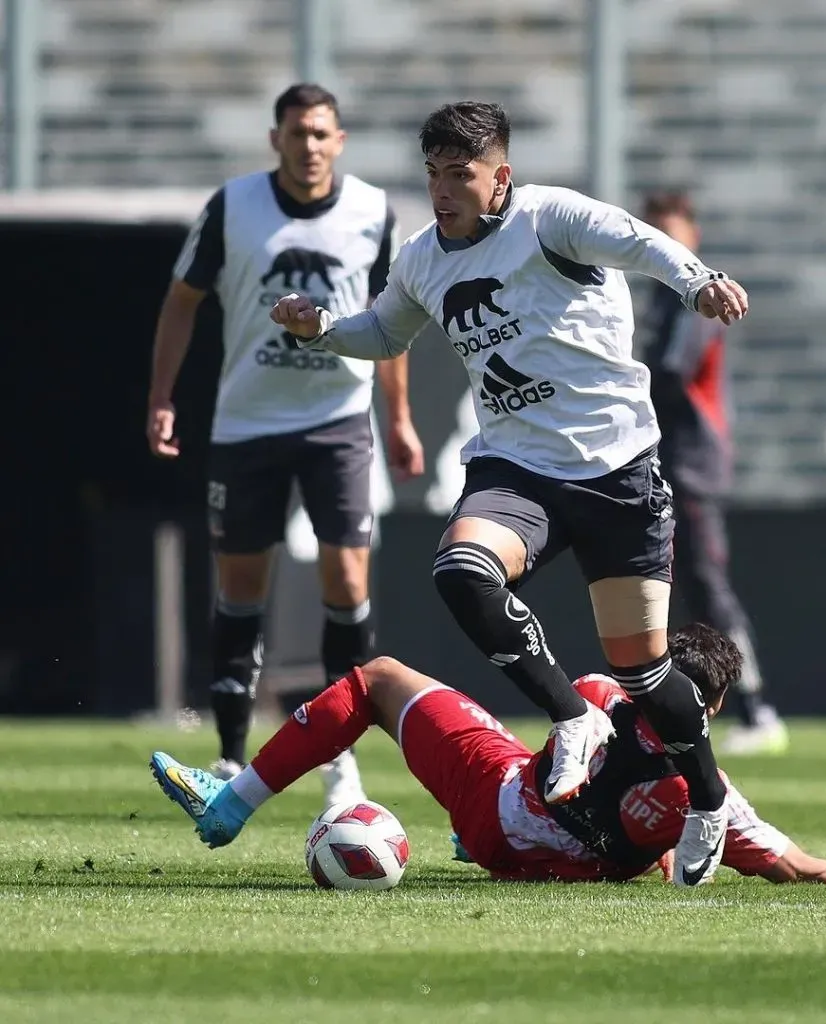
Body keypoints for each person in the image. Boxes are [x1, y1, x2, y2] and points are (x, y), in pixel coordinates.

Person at [269, 100, 749, 885]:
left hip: (617, 468)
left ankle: (706, 797)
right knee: (462, 571)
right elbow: (383, 334)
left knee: (647, 677)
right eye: (433, 174)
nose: (443, 191)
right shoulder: (423, 258)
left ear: (501, 178)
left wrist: (698, 281)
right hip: (517, 470)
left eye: (460, 174)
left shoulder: (550, 218)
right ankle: (572, 716)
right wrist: (321, 328)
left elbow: (640, 242)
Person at [149, 624, 826, 888]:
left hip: (496, 801)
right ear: (714, 709)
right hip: (539, 862)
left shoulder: (601, 690)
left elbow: (564, 747)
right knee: (649, 854)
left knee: (377, 679)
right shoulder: (713, 798)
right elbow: (802, 868)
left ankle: (230, 805)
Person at [146, 82, 425, 808]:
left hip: (338, 421)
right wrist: (161, 398)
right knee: (241, 587)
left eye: (322, 133)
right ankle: (232, 754)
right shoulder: (233, 206)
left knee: (349, 580)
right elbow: (182, 300)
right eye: (297, 133)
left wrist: (398, 418)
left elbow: (391, 323)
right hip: (248, 423)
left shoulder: (372, 212)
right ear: (276, 139)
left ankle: (340, 756)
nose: (310, 146)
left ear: (341, 141)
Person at [638, 190, 787, 755]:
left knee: (705, 582)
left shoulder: (695, 295)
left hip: (692, 461)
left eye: (674, 232)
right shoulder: (657, 298)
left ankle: (756, 707)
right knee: (668, 582)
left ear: (693, 236)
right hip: (664, 456)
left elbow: (672, 375)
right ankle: (682, 704)